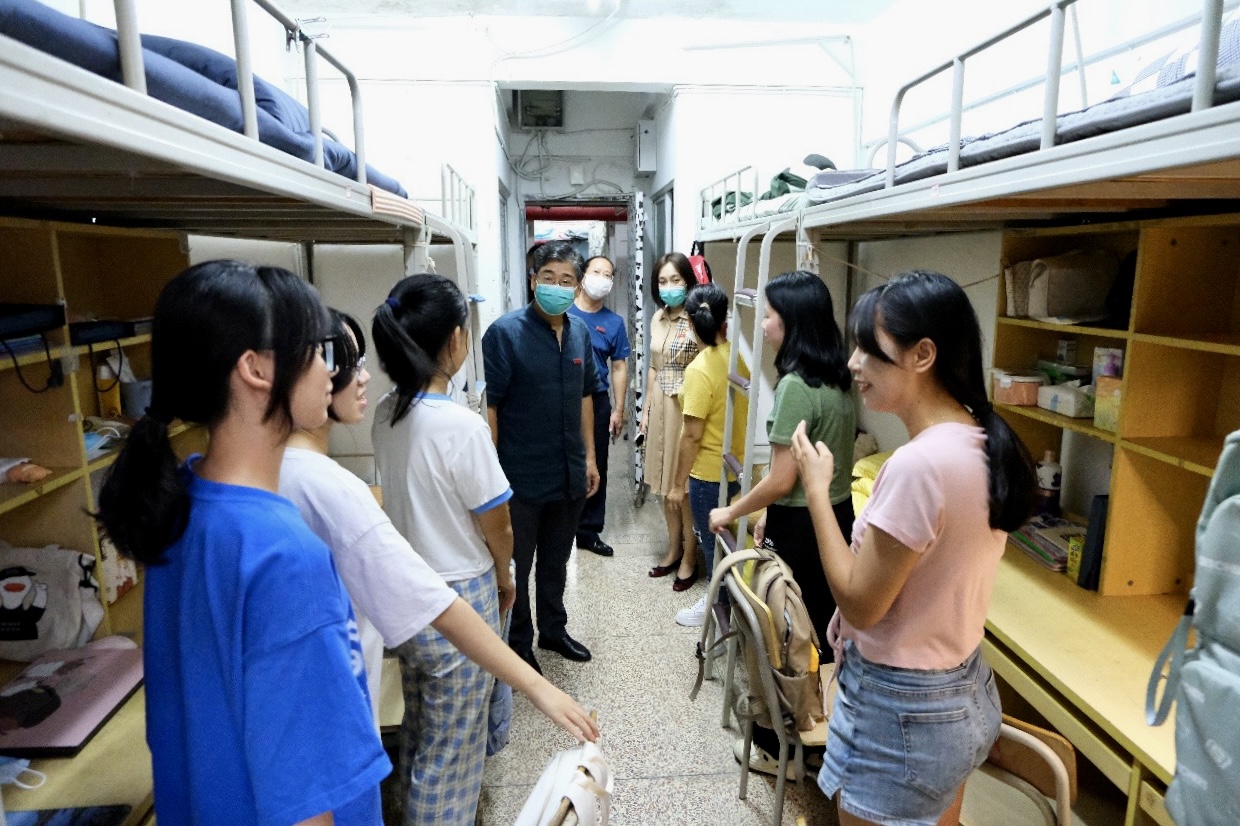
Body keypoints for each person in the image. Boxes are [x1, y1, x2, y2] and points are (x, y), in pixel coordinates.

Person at [95, 260, 388, 825]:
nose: (331, 370)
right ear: (256, 369)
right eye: (318, 350)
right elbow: (307, 803)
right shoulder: (283, 555)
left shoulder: (183, 507)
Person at [284, 306, 599, 826]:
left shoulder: (384, 413)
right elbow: (497, 524)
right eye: (341, 363)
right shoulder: (456, 427)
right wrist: (505, 575)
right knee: (453, 752)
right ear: (455, 340)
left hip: (405, 598)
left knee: (425, 727)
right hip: (456, 589)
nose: (358, 376)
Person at [792, 270, 1035, 826]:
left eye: (868, 349)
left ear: (923, 354)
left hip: (902, 709)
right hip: (961, 687)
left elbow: (860, 604)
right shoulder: (979, 439)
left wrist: (816, 491)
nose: (854, 364)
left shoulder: (919, 465)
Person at [707, 270, 855, 774]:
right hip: (836, 518)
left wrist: (732, 511)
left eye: (769, 316)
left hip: (801, 527)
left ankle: (780, 751)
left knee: (783, 636)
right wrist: (767, 513)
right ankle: (823, 736)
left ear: (792, 323)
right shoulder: (840, 379)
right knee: (822, 635)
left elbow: (782, 478)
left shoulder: (794, 386)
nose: (764, 325)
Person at [482, 240, 600, 671]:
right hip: (520, 476)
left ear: (577, 286)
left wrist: (590, 458)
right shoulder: (505, 333)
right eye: (548, 277)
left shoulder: (579, 332)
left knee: (556, 560)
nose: (557, 286)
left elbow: (586, 395)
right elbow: (491, 406)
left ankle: (553, 630)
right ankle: (518, 642)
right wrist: (491, 474)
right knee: (518, 564)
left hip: (568, 473)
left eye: (566, 280)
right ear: (533, 281)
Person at [667, 283, 747, 627]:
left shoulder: (699, 369)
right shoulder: (736, 357)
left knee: (714, 547)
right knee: (727, 543)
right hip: (734, 466)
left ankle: (717, 606)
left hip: (708, 474)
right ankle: (727, 600)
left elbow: (692, 435)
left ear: (689, 321)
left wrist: (677, 485)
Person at [644, 251, 703, 590]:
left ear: (688, 282)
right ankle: (673, 549)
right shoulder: (657, 318)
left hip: (686, 407)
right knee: (665, 486)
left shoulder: (698, 319)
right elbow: (654, 366)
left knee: (683, 487)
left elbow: (708, 366)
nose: (669, 287)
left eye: (675, 280)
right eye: (663, 281)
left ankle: (690, 556)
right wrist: (646, 412)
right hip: (660, 404)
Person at [568, 255, 631, 557]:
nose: (602, 279)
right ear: (582, 276)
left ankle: (588, 530)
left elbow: (618, 367)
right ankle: (556, 526)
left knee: (596, 463)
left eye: (608, 275)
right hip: (561, 396)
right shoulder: (562, 312)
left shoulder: (613, 323)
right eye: (597, 272)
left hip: (596, 399)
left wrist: (619, 408)